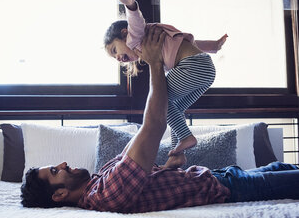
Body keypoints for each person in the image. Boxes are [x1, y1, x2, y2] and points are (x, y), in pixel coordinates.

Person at [20, 26, 299, 213]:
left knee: (284, 166)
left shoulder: (99, 180)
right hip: (231, 188)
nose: (63, 164)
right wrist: (154, 63)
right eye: (55, 172)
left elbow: (146, 174)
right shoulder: (106, 194)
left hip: (223, 176)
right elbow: (154, 125)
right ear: (58, 196)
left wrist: (168, 166)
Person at [104, 0, 228, 163]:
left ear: (124, 34)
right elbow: (190, 43)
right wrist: (214, 46)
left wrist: (130, 5)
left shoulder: (135, 36)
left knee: (163, 102)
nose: (118, 58)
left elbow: (136, 21)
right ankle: (176, 153)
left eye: (115, 50)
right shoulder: (161, 42)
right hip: (205, 69)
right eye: (114, 58)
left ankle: (186, 137)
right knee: (174, 107)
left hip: (192, 67)